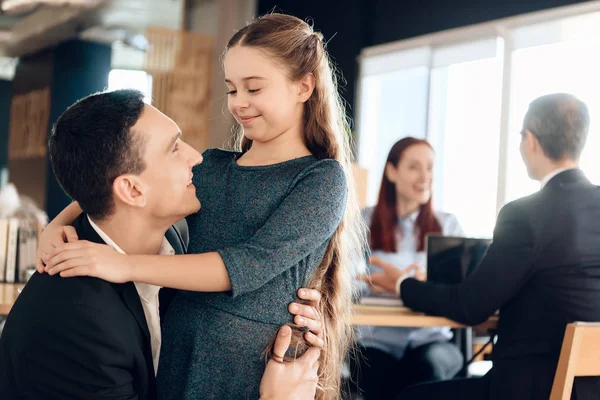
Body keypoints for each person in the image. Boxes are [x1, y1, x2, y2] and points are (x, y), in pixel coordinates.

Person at [36, 13, 365, 400]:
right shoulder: (213, 167)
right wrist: (58, 221)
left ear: (303, 87)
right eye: (231, 90)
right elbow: (124, 180)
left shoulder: (321, 179)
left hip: (251, 365)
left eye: (254, 89)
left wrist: (122, 266)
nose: (239, 104)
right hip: (179, 343)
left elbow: (250, 264)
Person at [0, 89, 324, 400]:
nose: (197, 157)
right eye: (174, 148)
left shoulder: (174, 239)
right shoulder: (76, 324)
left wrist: (282, 313)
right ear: (133, 191)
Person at [363, 93, 600, 400]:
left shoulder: (525, 214)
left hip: (531, 388)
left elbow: (470, 306)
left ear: (529, 141)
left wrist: (401, 284)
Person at [351, 137, 464, 399]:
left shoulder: (448, 226)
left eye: (430, 167)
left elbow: (461, 288)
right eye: (414, 167)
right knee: (375, 373)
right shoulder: (363, 221)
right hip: (377, 340)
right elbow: (344, 281)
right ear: (392, 171)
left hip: (431, 340)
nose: (425, 176)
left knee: (429, 369)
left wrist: (414, 286)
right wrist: (371, 282)